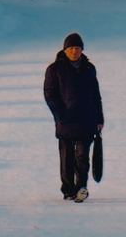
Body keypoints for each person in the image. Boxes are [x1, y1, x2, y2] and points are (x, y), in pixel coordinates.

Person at [43, 32, 105, 202]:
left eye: (78, 48)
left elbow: (95, 95)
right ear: (64, 50)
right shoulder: (54, 70)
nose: (74, 52)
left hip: (87, 119)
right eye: (71, 48)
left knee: (82, 156)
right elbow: (50, 94)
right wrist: (60, 114)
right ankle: (68, 189)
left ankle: (81, 187)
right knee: (67, 157)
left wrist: (99, 118)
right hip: (66, 121)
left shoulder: (89, 68)